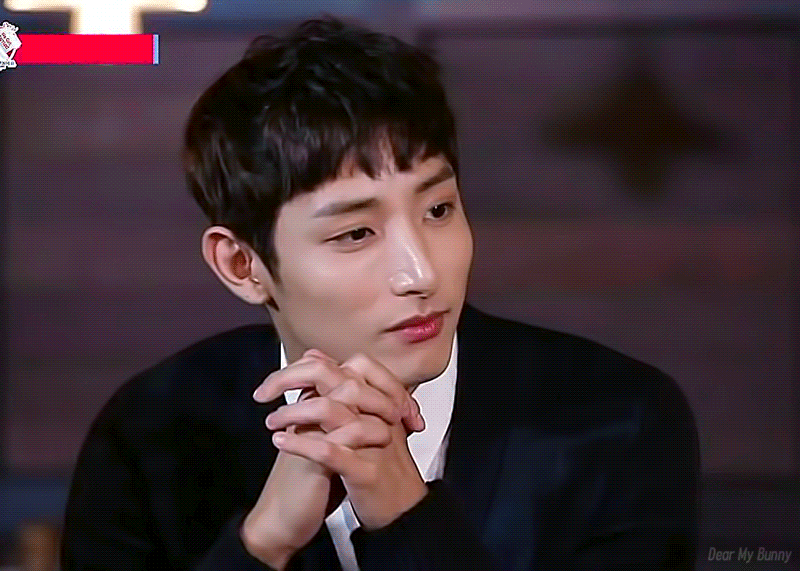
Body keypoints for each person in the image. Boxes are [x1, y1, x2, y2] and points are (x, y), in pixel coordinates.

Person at [60, 16, 700, 571]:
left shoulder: (620, 422)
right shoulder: (149, 437)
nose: (421, 273)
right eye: (356, 233)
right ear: (243, 265)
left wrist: (404, 512)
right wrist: (262, 543)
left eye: (439, 209)